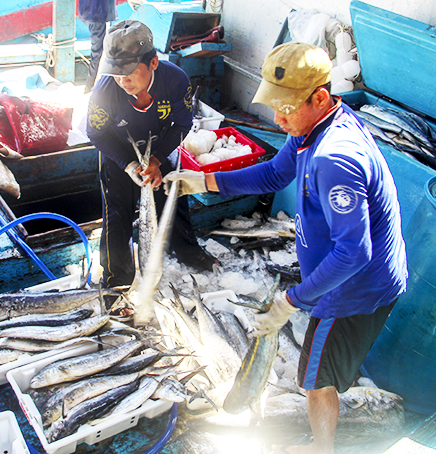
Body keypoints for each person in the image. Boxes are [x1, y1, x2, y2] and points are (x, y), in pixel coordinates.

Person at [163, 42, 408, 454]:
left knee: (314, 379)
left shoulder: (335, 158)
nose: (277, 119)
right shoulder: (315, 126)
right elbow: (276, 174)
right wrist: (204, 181)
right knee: (322, 370)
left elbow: (354, 253)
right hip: (346, 279)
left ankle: (322, 447)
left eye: (287, 108)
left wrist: (290, 302)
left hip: (352, 290)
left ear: (321, 97)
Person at [86, 20, 218, 289]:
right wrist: (128, 164)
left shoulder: (176, 80)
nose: (123, 81)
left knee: (173, 195)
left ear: (154, 63)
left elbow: (182, 125)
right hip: (118, 150)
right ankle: (116, 278)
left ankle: (189, 252)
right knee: (117, 211)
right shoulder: (105, 91)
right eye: (116, 73)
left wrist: (157, 160)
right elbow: (97, 134)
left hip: (158, 144)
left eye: (130, 72)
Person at [78, 0, 117, 93]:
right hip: (100, 12)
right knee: (101, 53)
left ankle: (90, 87)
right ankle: (91, 88)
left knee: (98, 52)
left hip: (89, 11)